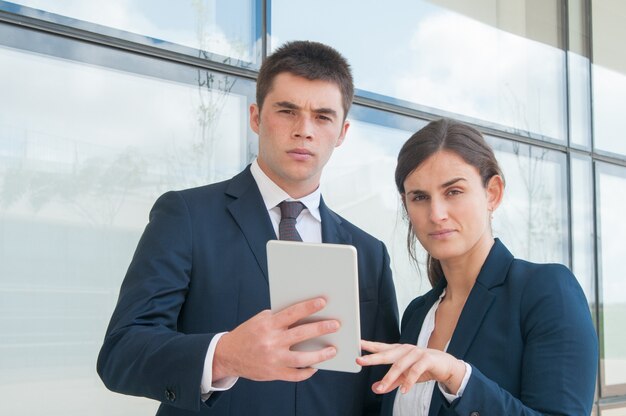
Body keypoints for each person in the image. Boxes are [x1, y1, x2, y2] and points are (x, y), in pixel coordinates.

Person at [97, 40, 399, 415]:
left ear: (342, 132)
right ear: (255, 117)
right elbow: (121, 352)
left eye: (322, 116)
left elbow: (379, 384)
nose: (304, 130)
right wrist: (224, 356)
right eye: (287, 111)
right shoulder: (186, 216)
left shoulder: (369, 252)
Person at [357, 118, 598, 415]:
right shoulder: (417, 315)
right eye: (419, 197)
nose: (436, 213)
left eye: (453, 192)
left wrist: (458, 377)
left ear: (492, 193)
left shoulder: (545, 291)